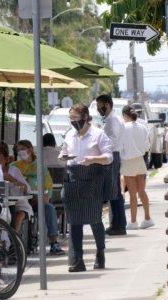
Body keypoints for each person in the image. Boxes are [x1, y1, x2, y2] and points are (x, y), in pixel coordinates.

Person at [59, 103, 113, 272]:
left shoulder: (98, 134)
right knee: (74, 222)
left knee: (95, 219)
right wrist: (63, 156)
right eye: (70, 118)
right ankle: (78, 259)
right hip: (73, 179)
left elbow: (109, 157)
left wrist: (93, 159)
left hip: (93, 179)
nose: (73, 121)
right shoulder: (69, 135)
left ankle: (100, 252)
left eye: (75, 118)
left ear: (85, 117)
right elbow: (64, 152)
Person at [11, 139, 65, 256]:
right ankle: (13, 245)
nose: (20, 152)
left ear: (30, 149)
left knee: (49, 208)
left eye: (22, 149)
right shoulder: (14, 166)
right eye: (18, 150)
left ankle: (54, 242)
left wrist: (42, 197)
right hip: (19, 200)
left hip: (37, 200)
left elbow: (48, 186)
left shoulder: (40, 166)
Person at [96, 94, 127, 236]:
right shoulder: (110, 119)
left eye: (99, 106)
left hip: (112, 156)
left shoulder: (113, 120)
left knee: (114, 192)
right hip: (112, 155)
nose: (98, 109)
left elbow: (113, 141)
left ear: (106, 105)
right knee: (113, 192)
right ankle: (116, 223)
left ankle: (119, 225)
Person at [121, 105, 154, 230]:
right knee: (142, 191)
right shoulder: (142, 126)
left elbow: (119, 145)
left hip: (128, 161)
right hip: (140, 160)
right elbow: (147, 144)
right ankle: (147, 218)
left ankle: (133, 221)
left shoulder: (123, 127)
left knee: (133, 194)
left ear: (124, 115)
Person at [0, 143, 33, 232]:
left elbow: (28, 190)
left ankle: (13, 242)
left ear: (6, 159)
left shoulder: (13, 171)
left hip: (19, 206)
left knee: (18, 216)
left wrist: (13, 180)